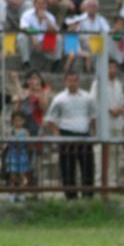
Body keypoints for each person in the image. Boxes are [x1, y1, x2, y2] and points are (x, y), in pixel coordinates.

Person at [46, 71, 96, 200]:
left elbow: (93, 116)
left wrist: (94, 133)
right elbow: (51, 119)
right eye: (69, 80)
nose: (72, 83)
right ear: (65, 82)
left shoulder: (87, 97)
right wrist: (57, 134)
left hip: (84, 135)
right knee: (68, 167)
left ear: (78, 81)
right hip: (67, 134)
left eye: (74, 80)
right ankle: (71, 196)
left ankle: (88, 195)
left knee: (87, 166)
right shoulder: (59, 99)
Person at [4, 110, 32, 201]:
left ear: (23, 121)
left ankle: (22, 193)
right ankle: (12, 193)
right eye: (16, 120)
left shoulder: (25, 132)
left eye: (20, 120)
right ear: (12, 121)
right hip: (12, 154)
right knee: (12, 175)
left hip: (22, 154)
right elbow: (6, 142)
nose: (18, 122)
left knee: (22, 175)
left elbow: (29, 143)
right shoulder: (9, 131)